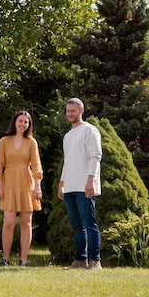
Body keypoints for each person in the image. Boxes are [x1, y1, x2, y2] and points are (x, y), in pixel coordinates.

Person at [0, 111, 43, 267]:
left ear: (29, 125)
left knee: (26, 222)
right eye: (20, 121)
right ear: (15, 122)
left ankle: (23, 259)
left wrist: (37, 186)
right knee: (8, 222)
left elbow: (36, 165)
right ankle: (5, 258)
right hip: (8, 183)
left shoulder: (31, 142)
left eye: (26, 122)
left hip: (27, 183)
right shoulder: (4, 141)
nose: (23, 124)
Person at [58, 97, 103, 270]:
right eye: (68, 111)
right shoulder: (68, 136)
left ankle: (95, 261)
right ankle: (80, 260)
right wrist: (62, 183)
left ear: (81, 111)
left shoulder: (90, 131)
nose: (70, 114)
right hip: (69, 187)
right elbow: (67, 162)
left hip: (85, 186)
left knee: (90, 225)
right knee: (77, 227)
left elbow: (95, 156)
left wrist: (90, 181)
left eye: (73, 111)